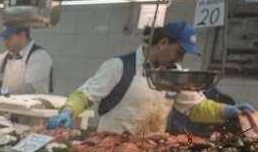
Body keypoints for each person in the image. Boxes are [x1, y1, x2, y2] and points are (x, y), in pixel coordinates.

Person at [48, 22, 254, 134]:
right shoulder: (119, 66)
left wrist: (227, 111)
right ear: (163, 42)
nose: (180, 59)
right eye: (179, 52)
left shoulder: (175, 74)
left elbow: (195, 107)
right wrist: (67, 112)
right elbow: (85, 95)